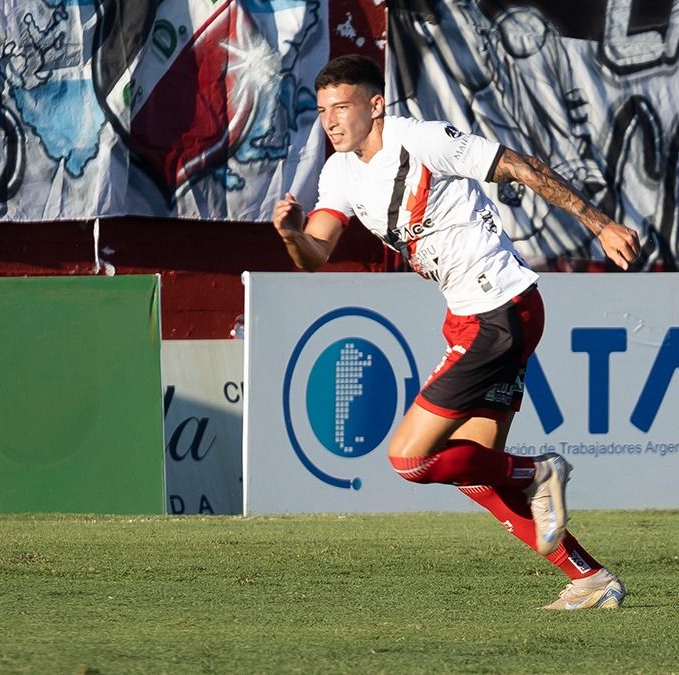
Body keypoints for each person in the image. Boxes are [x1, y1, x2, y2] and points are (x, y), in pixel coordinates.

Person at [271, 54, 641, 610]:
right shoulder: (339, 170)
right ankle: (589, 577)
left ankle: (540, 470)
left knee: (410, 459)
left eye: (341, 107)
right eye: (322, 110)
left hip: (501, 310)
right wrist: (291, 234)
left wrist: (600, 223)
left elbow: (521, 166)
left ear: (376, 105)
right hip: (475, 317)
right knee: (470, 469)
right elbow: (316, 252)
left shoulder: (421, 140)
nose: (330, 120)